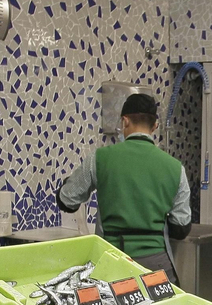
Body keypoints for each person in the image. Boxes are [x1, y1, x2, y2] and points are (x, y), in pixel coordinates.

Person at [57, 93, 192, 277]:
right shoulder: (176, 168)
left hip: (112, 261)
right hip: (156, 266)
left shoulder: (100, 159)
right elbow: (181, 227)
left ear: (125, 121)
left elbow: (67, 200)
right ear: (155, 126)